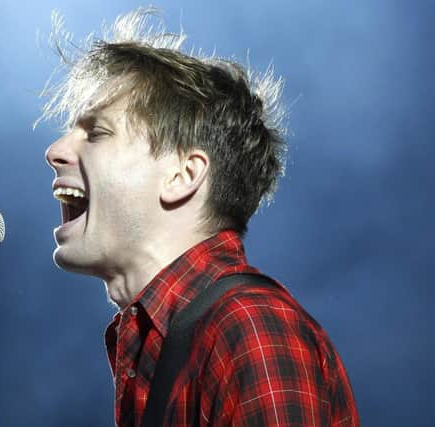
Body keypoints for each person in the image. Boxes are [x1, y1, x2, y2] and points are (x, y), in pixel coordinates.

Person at [40, 8, 360, 427]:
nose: (55, 151)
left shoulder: (250, 326)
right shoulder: (171, 344)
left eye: (96, 133)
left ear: (183, 176)